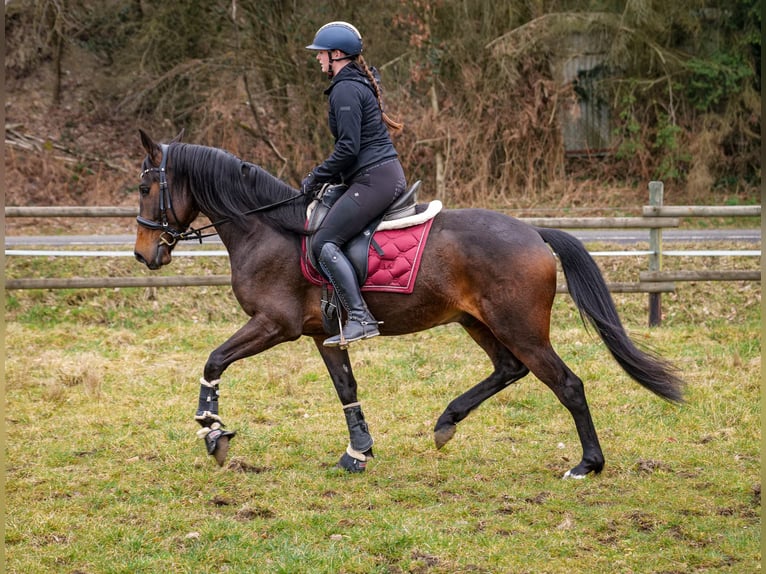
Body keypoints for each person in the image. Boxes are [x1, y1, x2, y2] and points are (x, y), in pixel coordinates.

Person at [303, 21, 407, 348]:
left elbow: (348, 148)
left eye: (321, 53)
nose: (318, 59)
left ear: (336, 54)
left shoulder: (346, 89)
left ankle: (360, 317)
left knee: (323, 243)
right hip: (375, 175)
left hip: (374, 179)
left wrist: (316, 176)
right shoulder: (353, 83)